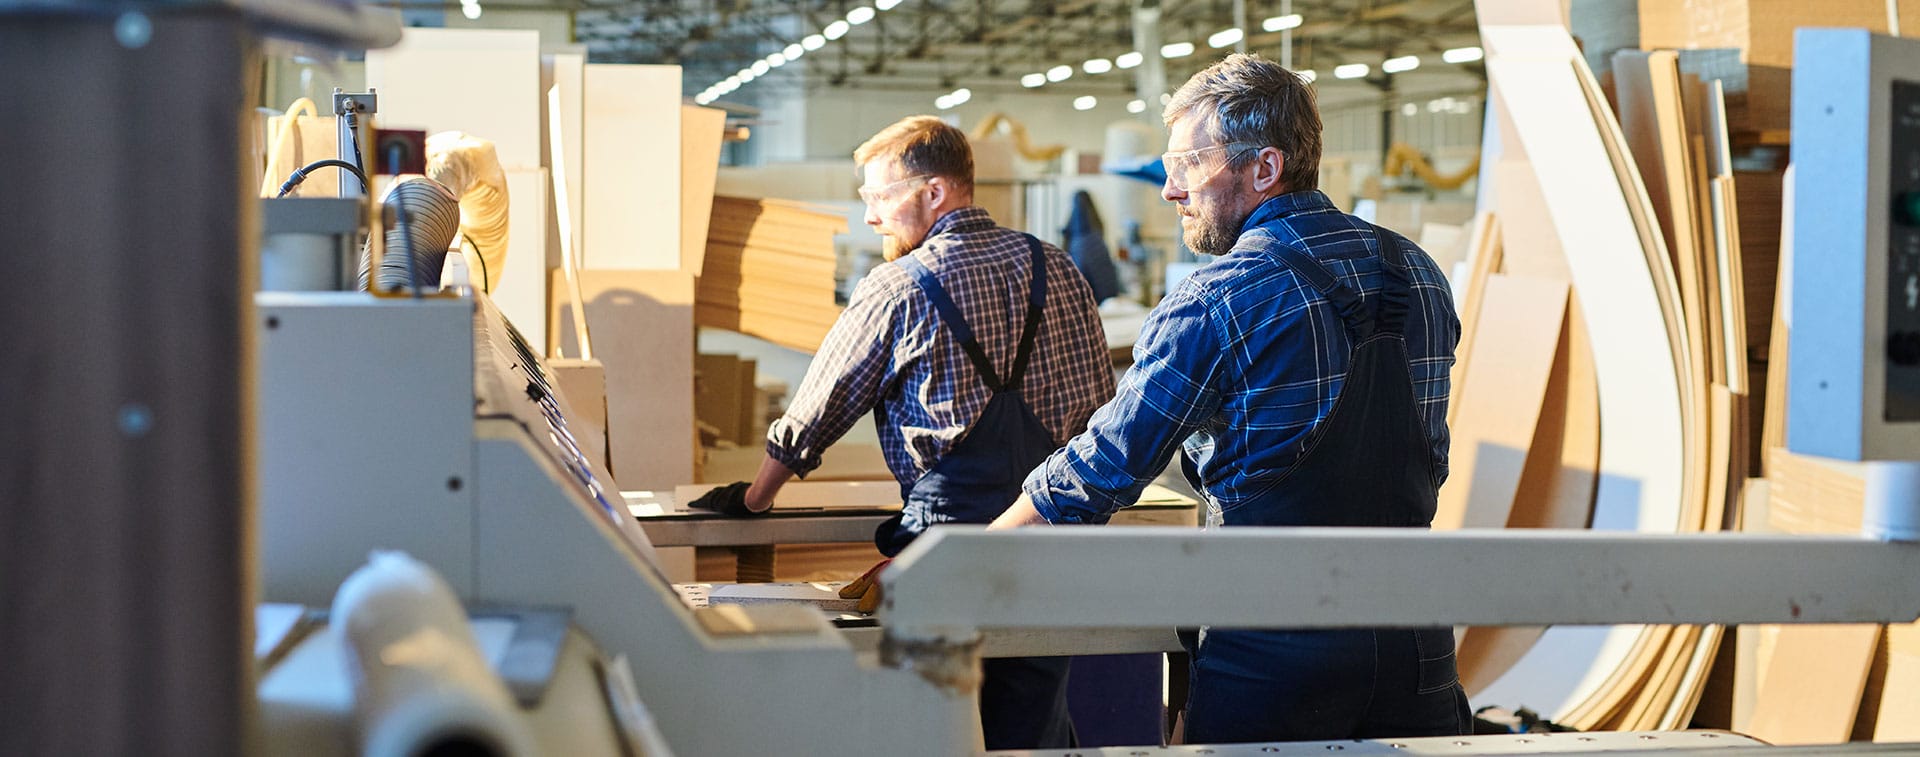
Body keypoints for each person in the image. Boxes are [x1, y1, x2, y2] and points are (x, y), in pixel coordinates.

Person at [989, 53, 1468, 743]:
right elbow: (1426, 458)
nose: (1169, 190)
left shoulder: (1217, 299)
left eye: (1188, 164)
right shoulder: (1417, 272)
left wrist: (969, 556)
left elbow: (1099, 470)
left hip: (1275, 647)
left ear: (1265, 169)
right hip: (1417, 643)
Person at [691, 115, 1114, 750]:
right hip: (1049, 536)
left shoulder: (897, 287)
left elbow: (817, 411)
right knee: (1031, 722)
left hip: (943, 543)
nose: (871, 217)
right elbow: (1102, 411)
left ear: (936, 192)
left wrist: (756, 498)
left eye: (880, 198)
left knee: (935, 714)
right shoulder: (1054, 266)